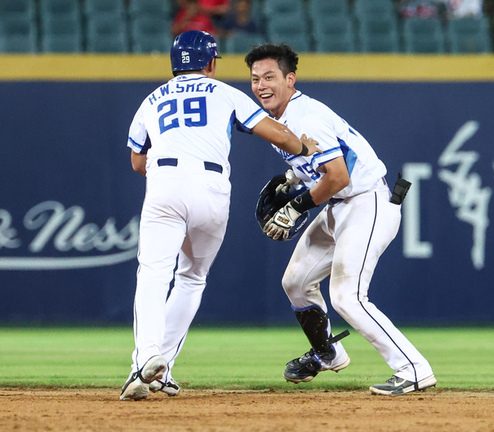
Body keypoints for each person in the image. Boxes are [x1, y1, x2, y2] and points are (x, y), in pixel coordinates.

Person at [120, 31, 320, 401]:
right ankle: (158, 371)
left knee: (153, 272)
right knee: (192, 278)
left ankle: (146, 358)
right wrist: (304, 145)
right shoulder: (224, 92)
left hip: (163, 181)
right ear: (210, 63)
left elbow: (136, 160)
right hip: (212, 187)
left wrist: (170, 168)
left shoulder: (151, 99)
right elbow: (277, 134)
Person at [244, 44, 437, 396]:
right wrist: (291, 182)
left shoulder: (306, 116)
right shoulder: (278, 121)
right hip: (338, 209)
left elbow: (338, 177)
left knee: (347, 296)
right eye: (255, 79)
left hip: (367, 202)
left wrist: (296, 205)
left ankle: (414, 369)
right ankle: (327, 352)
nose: (261, 85)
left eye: (270, 77)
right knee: (296, 283)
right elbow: (316, 170)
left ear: (290, 79)